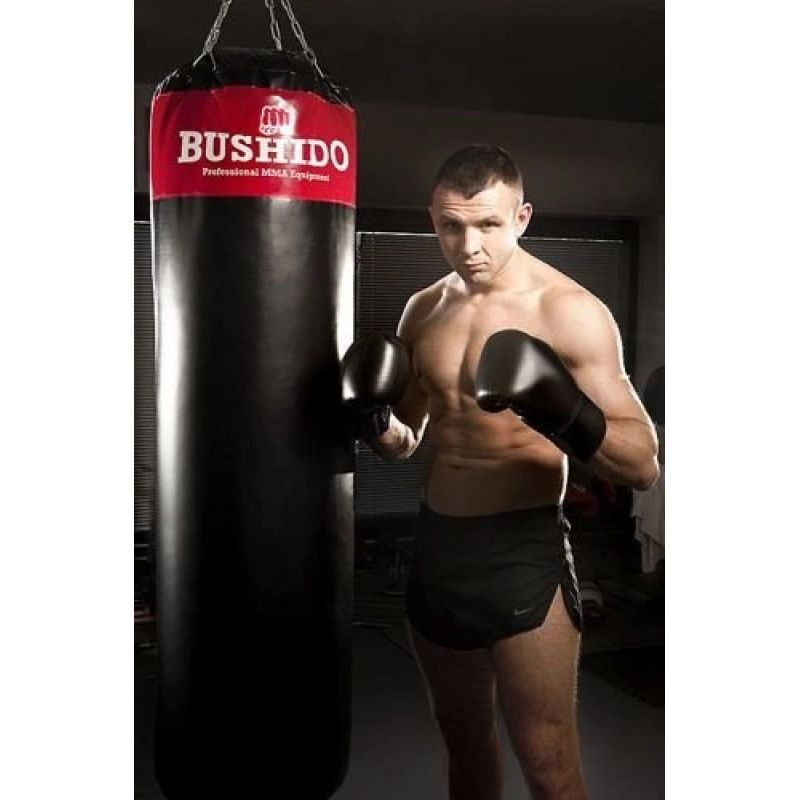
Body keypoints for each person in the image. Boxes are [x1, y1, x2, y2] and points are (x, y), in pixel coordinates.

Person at [342, 145, 659, 800]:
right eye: (451, 226)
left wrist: (565, 411)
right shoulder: (422, 310)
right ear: (433, 219)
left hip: (522, 552)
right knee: (463, 742)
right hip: (438, 549)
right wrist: (376, 422)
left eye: (487, 224)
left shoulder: (568, 310)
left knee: (549, 763)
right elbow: (407, 442)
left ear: (522, 217)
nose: (469, 246)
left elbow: (643, 465)